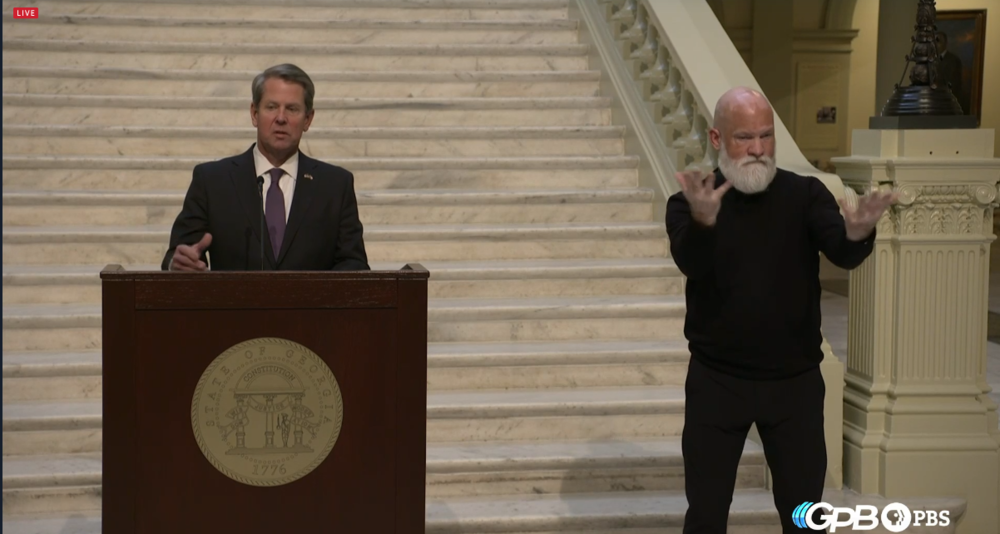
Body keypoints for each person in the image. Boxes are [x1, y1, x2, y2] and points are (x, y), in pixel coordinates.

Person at [665, 87, 895, 533]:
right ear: (717, 138)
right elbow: (690, 262)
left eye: (766, 136)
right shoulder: (690, 203)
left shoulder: (805, 194)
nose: (757, 149)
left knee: (805, 518)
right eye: (744, 137)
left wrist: (859, 232)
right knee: (707, 515)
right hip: (717, 383)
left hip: (794, 386)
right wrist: (704, 223)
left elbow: (842, 253)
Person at [162, 63, 369, 271]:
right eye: (271, 107)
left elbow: (354, 264)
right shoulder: (212, 181)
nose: (281, 118)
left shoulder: (335, 185)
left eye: (292, 109)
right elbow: (179, 254)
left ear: (308, 119)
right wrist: (178, 264)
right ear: (254, 114)